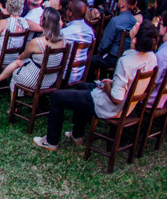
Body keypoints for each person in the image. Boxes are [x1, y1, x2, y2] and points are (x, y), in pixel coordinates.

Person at [34, 20, 159, 151]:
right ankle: (77, 135)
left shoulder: (126, 62)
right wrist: (112, 83)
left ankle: (51, 141)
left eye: (136, 27)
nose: (135, 25)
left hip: (110, 107)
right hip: (128, 105)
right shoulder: (152, 57)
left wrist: (107, 87)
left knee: (57, 96)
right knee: (81, 87)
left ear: (135, 41)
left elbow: (116, 98)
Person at [0, 7, 66, 94]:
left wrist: (20, 57)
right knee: (18, 63)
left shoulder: (37, 42)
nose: (39, 18)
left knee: (16, 72)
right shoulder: (64, 41)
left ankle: (13, 106)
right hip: (51, 79)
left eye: (41, 16)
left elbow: (24, 55)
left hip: (36, 79)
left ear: (45, 21)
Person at [91, 0, 139, 71]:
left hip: (112, 58)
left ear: (122, 4)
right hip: (127, 56)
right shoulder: (134, 21)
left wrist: (99, 51)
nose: (118, 1)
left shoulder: (115, 21)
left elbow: (104, 44)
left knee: (91, 59)